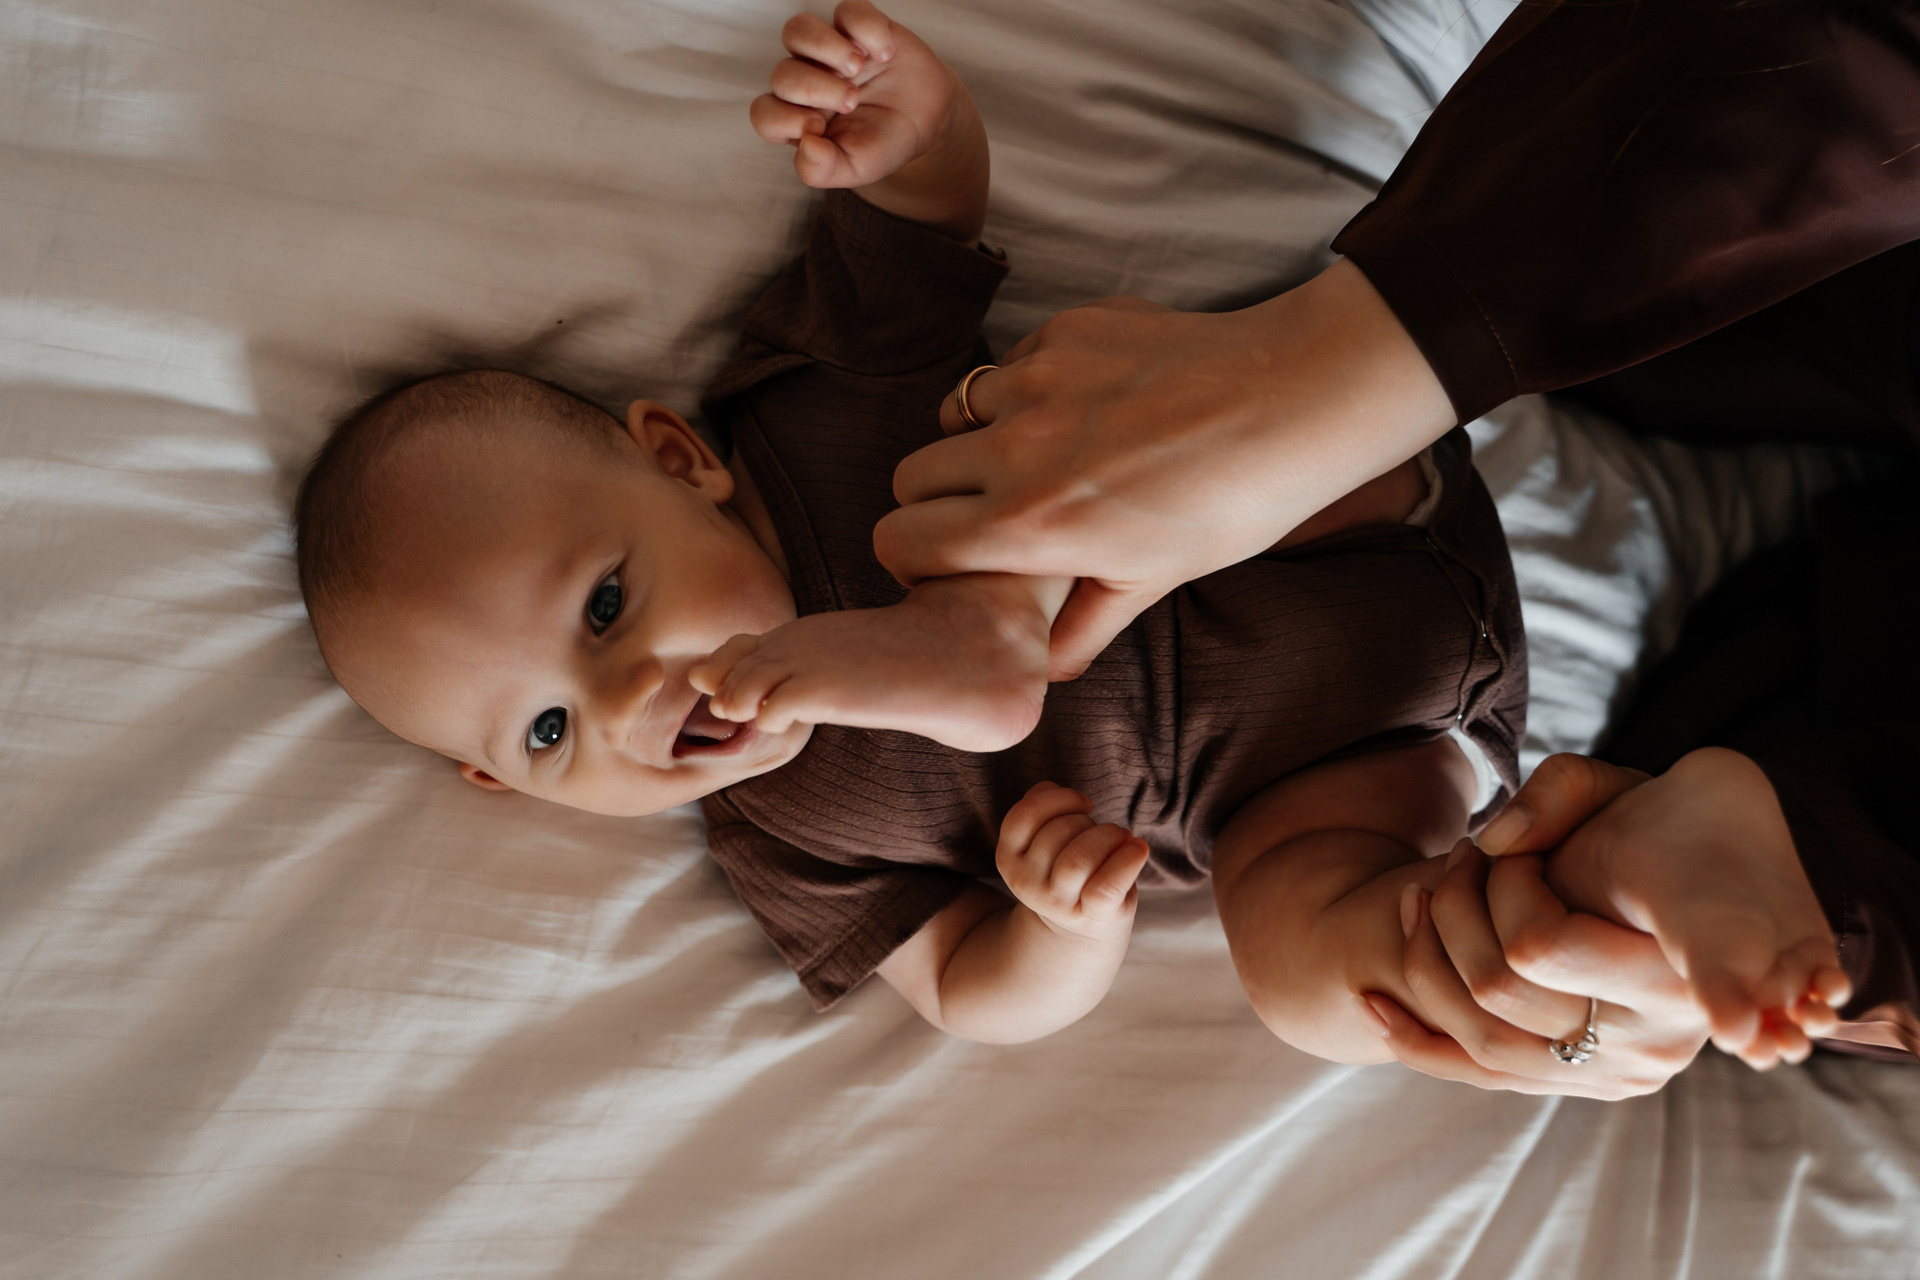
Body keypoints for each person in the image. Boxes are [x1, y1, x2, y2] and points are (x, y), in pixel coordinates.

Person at [291, 3, 1555, 1056]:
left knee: (1036, 430)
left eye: (607, 605)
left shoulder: (809, 396)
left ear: (678, 460)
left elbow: (918, 231)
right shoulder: (779, 835)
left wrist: (908, 129)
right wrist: (1064, 931)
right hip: (1342, 762)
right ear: (503, 784)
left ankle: (984, 622)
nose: (628, 701)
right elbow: (961, 984)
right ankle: (1525, 963)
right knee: (1297, 970)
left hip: (1325, 504)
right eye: (549, 732)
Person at [872, 0, 1920, 1082]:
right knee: (1376, 928)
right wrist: (1342, 366)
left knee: (1364, 964)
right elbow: (962, 986)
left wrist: (1064, 934)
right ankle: (1629, 896)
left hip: (1369, 633)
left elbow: (900, 271)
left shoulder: (789, 791)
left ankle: (1644, 895)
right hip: (1354, 693)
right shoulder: (786, 824)